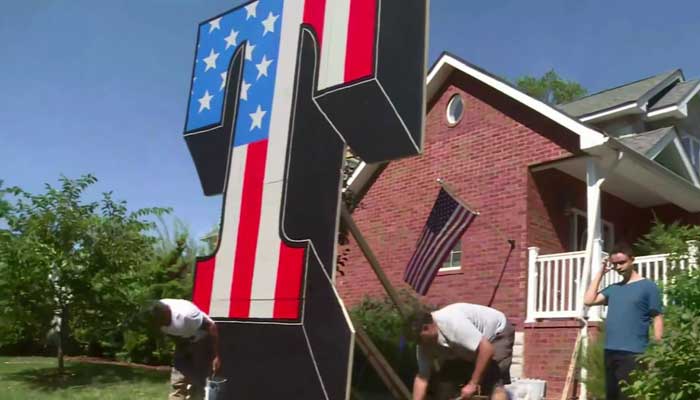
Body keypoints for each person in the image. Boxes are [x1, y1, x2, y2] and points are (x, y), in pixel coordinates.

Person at [584, 242, 663, 400]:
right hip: (610, 351)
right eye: (615, 264)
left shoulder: (648, 286)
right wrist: (601, 272)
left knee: (628, 397)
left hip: (634, 353)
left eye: (622, 262)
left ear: (632, 259)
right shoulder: (614, 289)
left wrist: (657, 349)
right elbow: (588, 300)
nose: (618, 267)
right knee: (612, 396)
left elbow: (657, 317)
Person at [411, 303, 515, 400]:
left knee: (493, 382)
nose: (419, 343)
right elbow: (422, 378)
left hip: (495, 333)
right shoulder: (423, 344)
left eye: (419, 339)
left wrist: (473, 383)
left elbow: (487, 349)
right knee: (445, 384)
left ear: (426, 328)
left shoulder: (452, 323)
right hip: (467, 346)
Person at [151, 299, 221, 400]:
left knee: (199, 381)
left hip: (202, 341)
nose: (161, 324)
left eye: (163, 320)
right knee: (178, 381)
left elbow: (211, 327)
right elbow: (168, 333)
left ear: (168, 313)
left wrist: (216, 355)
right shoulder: (155, 313)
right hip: (182, 343)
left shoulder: (188, 315)